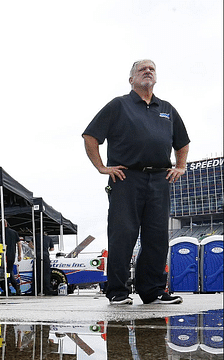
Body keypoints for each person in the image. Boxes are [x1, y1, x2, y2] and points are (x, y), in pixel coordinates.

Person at [82, 59, 190, 305]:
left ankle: (152, 291)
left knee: (157, 236)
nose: (148, 71)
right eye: (142, 69)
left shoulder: (167, 109)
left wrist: (180, 166)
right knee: (123, 234)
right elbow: (90, 136)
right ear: (131, 79)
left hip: (160, 178)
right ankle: (118, 291)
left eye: (151, 68)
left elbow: (182, 142)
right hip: (126, 177)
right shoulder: (119, 105)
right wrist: (101, 167)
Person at [1, 219, 22, 295]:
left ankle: (7, 290)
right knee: (9, 271)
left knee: (2, 273)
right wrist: (19, 255)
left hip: (2, 255)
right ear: (6, 224)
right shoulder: (14, 232)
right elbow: (19, 244)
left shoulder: (0, 233)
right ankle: (16, 287)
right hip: (12, 255)